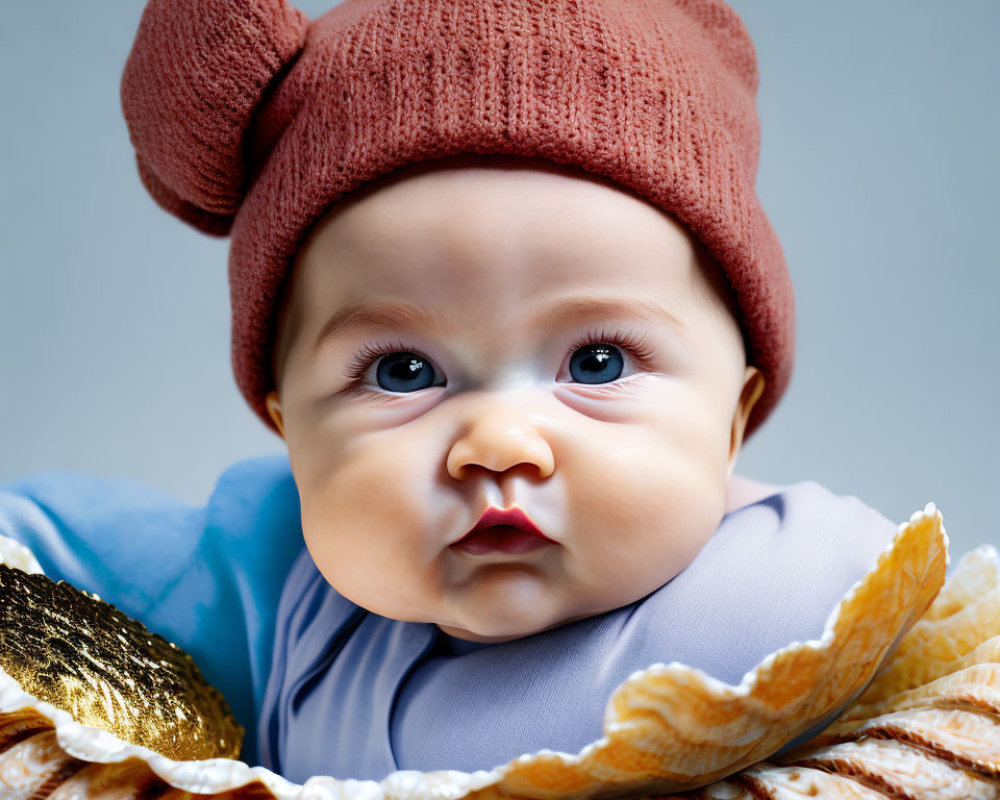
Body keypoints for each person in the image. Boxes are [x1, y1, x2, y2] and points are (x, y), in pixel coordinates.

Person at [0, 0, 899, 784]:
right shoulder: (276, 580)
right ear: (290, 429)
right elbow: (40, 534)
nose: (500, 442)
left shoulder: (801, 585)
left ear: (732, 418)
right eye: (403, 372)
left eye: (596, 364)